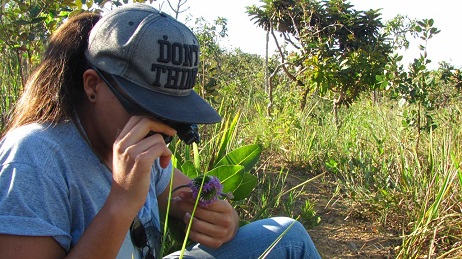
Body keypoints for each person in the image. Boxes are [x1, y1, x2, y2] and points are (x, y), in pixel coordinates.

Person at [0, 3, 321, 259]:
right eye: (143, 105)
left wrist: (221, 219)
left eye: (171, 113)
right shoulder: (34, 159)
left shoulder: (138, 148)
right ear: (92, 85)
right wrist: (121, 203)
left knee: (286, 236)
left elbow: (183, 198)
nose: (158, 127)